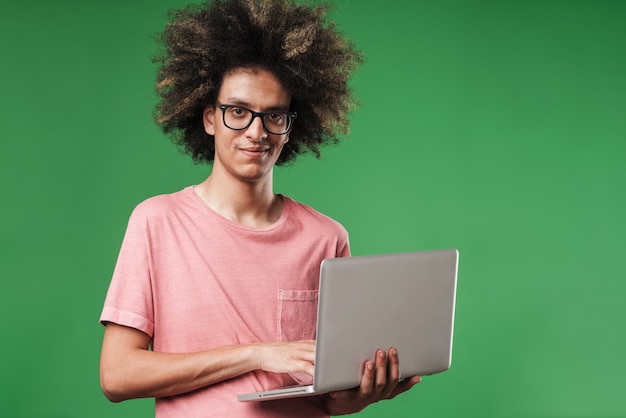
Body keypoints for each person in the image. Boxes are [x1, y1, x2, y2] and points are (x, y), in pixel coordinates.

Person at [99, 0, 420, 416]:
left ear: (291, 128)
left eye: (274, 116)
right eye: (238, 111)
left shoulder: (326, 237)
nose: (256, 132)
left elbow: (329, 396)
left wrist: (366, 391)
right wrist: (256, 354)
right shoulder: (156, 222)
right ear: (210, 118)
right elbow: (117, 375)